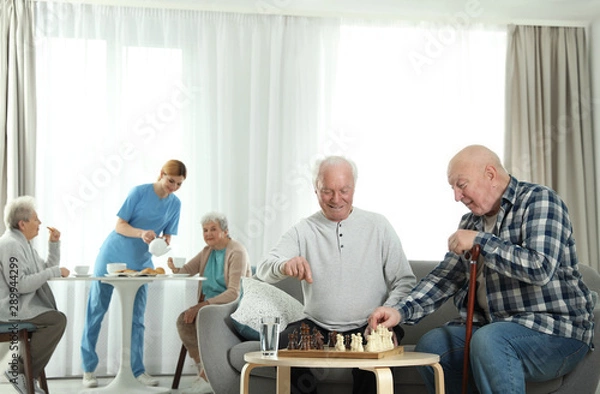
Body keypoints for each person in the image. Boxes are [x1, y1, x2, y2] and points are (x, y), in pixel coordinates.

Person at [369, 145, 595, 394]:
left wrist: (480, 241)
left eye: (461, 184)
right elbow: (445, 278)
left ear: (490, 174)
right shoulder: (471, 222)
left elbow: (540, 267)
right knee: (433, 345)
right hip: (493, 329)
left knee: (491, 339)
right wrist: (399, 312)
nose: (456, 196)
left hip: (555, 332)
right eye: (453, 188)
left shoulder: (540, 201)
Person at [256, 155, 416, 394]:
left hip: (369, 325)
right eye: (327, 191)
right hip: (317, 326)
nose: (336, 199)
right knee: (283, 347)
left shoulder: (378, 225)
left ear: (354, 187)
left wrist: (387, 317)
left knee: (371, 372)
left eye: (344, 190)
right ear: (315, 190)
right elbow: (263, 268)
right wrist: (284, 265)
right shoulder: (303, 229)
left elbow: (405, 281)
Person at [80, 159, 187, 388]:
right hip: (112, 257)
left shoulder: (175, 204)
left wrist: (164, 241)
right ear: (160, 174)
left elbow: (168, 235)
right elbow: (120, 225)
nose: (174, 187)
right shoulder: (139, 192)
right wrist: (141, 233)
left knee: (137, 318)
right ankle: (88, 369)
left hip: (141, 262)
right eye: (171, 181)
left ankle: (137, 371)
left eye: (179, 184)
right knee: (96, 311)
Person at [167, 212, 251, 394]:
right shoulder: (207, 251)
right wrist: (175, 269)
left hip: (232, 305)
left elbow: (234, 292)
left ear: (225, 231)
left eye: (213, 229)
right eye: (205, 230)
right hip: (209, 306)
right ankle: (206, 372)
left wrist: (201, 306)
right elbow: (187, 270)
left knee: (204, 317)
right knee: (184, 321)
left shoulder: (236, 251)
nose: (208, 234)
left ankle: (206, 378)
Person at [0, 196, 70, 394]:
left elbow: (45, 268)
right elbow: (20, 284)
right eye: (36, 219)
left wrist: (54, 244)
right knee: (56, 321)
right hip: (10, 307)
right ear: (22, 223)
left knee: (55, 318)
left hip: (21, 304)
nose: (40, 223)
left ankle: (25, 375)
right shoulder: (11, 245)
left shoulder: (23, 244)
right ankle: (22, 373)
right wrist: (53, 272)